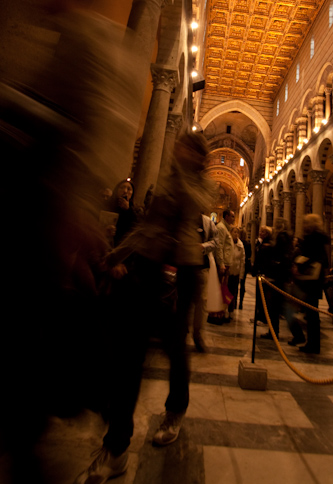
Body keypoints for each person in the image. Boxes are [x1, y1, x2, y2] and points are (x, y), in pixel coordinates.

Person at [74, 131, 215, 484]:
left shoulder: (200, 185)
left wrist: (181, 175)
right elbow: (145, 229)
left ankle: (175, 411)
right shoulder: (167, 182)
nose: (177, 150)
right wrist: (117, 253)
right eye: (178, 145)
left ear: (198, 157)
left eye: (185, 147)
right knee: (129, 356)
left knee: (174, 349)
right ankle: (117, 448)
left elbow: (198, 205)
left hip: (182, 273)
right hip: (149, 271)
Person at [286, 214, 329, 353]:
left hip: (310, 281)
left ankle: (312, 344)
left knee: (310, 314)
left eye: (305, 223)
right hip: (314, 281)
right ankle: (312, 343)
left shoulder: (313, 238)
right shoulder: (319, 237)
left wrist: (299, 264)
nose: (303, 225)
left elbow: (314, 257)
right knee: (311, 314)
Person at [260, 217, 293, 340]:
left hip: (278, 276)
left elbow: (279, 256)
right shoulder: (287, 238)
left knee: (276, 307)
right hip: (282, 275)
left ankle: (275, 332)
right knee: (280, 307)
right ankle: (274, 331)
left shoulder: (281, 238)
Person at [191, 214, 219, 352]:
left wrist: (203, 246)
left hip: (202, 266)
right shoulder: (182, 217)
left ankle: (198, 334)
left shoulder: (207, 222)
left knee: (201, 301)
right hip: (183, 265)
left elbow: (215, 241)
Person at [215, 208, 235, 322]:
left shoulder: (225, 229)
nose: (233, 218)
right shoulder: (221, 228)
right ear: (226, 216)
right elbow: (219, 246)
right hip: (223, 264)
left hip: (226, 264)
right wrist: (221, 264)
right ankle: (216, 314)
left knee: (223, 288)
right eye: (232, 216)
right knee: (220, 289)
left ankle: (220, 313)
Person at [227, 227, 246, 318]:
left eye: (237, 233)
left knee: (233, 292)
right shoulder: (227, 243)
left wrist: (241, 275)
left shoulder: (240, 245)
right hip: (227, 271)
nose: (236, 234)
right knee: (225, 291)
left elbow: (242, 260)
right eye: (234, 232)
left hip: (236, 272)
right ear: (230, 233)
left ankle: (231, 310)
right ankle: (224, 310)